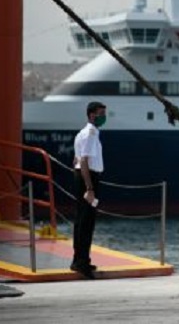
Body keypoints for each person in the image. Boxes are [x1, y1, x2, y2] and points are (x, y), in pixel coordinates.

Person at [70, 101, 107, 279]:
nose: (104, 117)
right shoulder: (90, 133)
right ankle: (81, 263)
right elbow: (84, 161)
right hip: (88, 177)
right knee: (86, 222)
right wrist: (89, 187)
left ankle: (80, 259)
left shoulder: (83, 132)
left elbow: (76, 159)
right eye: (101, 113)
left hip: (82, 176)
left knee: (81, 220)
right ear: (92, 115)